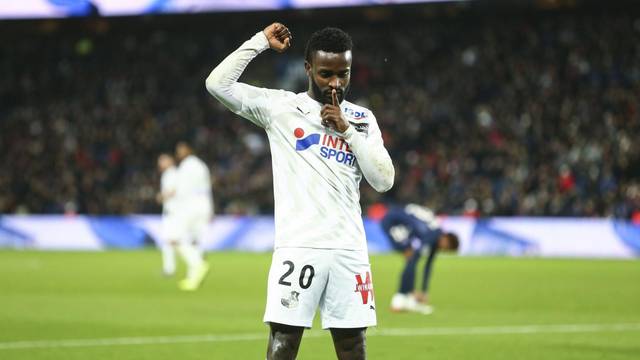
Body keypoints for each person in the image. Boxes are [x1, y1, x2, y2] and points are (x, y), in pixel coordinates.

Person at [205, 23, 394, 360]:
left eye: (343, 74)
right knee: (284, 341)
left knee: (353, 345)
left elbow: (384, 180)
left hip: (349, 249)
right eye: (325, 74)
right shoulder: (279, 108)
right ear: (308, 69)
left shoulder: (362, 120)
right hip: (299, 247)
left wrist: (348, 130)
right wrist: (260, 42)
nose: (335, 83)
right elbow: (217, 84)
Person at [380, 203, 459, 314]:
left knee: (412, 258)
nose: (443, 250)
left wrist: (424, 291)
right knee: (412, 258)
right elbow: (417, 254)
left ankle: (407, 299)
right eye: (447, 248)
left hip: (402, 224)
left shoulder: (435, 235)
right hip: (392, 222)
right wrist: (415, 290)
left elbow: (428, 266)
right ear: (446, 239)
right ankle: (399, 301)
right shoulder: (432, 235)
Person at [173, 142, 214, 291]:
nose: (179, 153)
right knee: (195, 242)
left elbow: (181, 191)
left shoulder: (185, 166)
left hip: (189, 206)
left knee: (175, 239)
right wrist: (211, 209)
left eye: (181, 150)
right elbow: (208, 188)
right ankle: (193, 280)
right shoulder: (202, 165)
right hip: (204, 206)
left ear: (189, 150)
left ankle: (198, 265)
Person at [156, 153, 179, 277]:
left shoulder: (171, 174)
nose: (160, 164)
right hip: (172, 211)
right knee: (172, 241)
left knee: (170, 240)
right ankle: (169, 268)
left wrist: (161, 196)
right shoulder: (173, 173)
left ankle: (169, 269)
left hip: (173, 212)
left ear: (169, 161)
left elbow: (174, 190)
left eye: (162, 161)